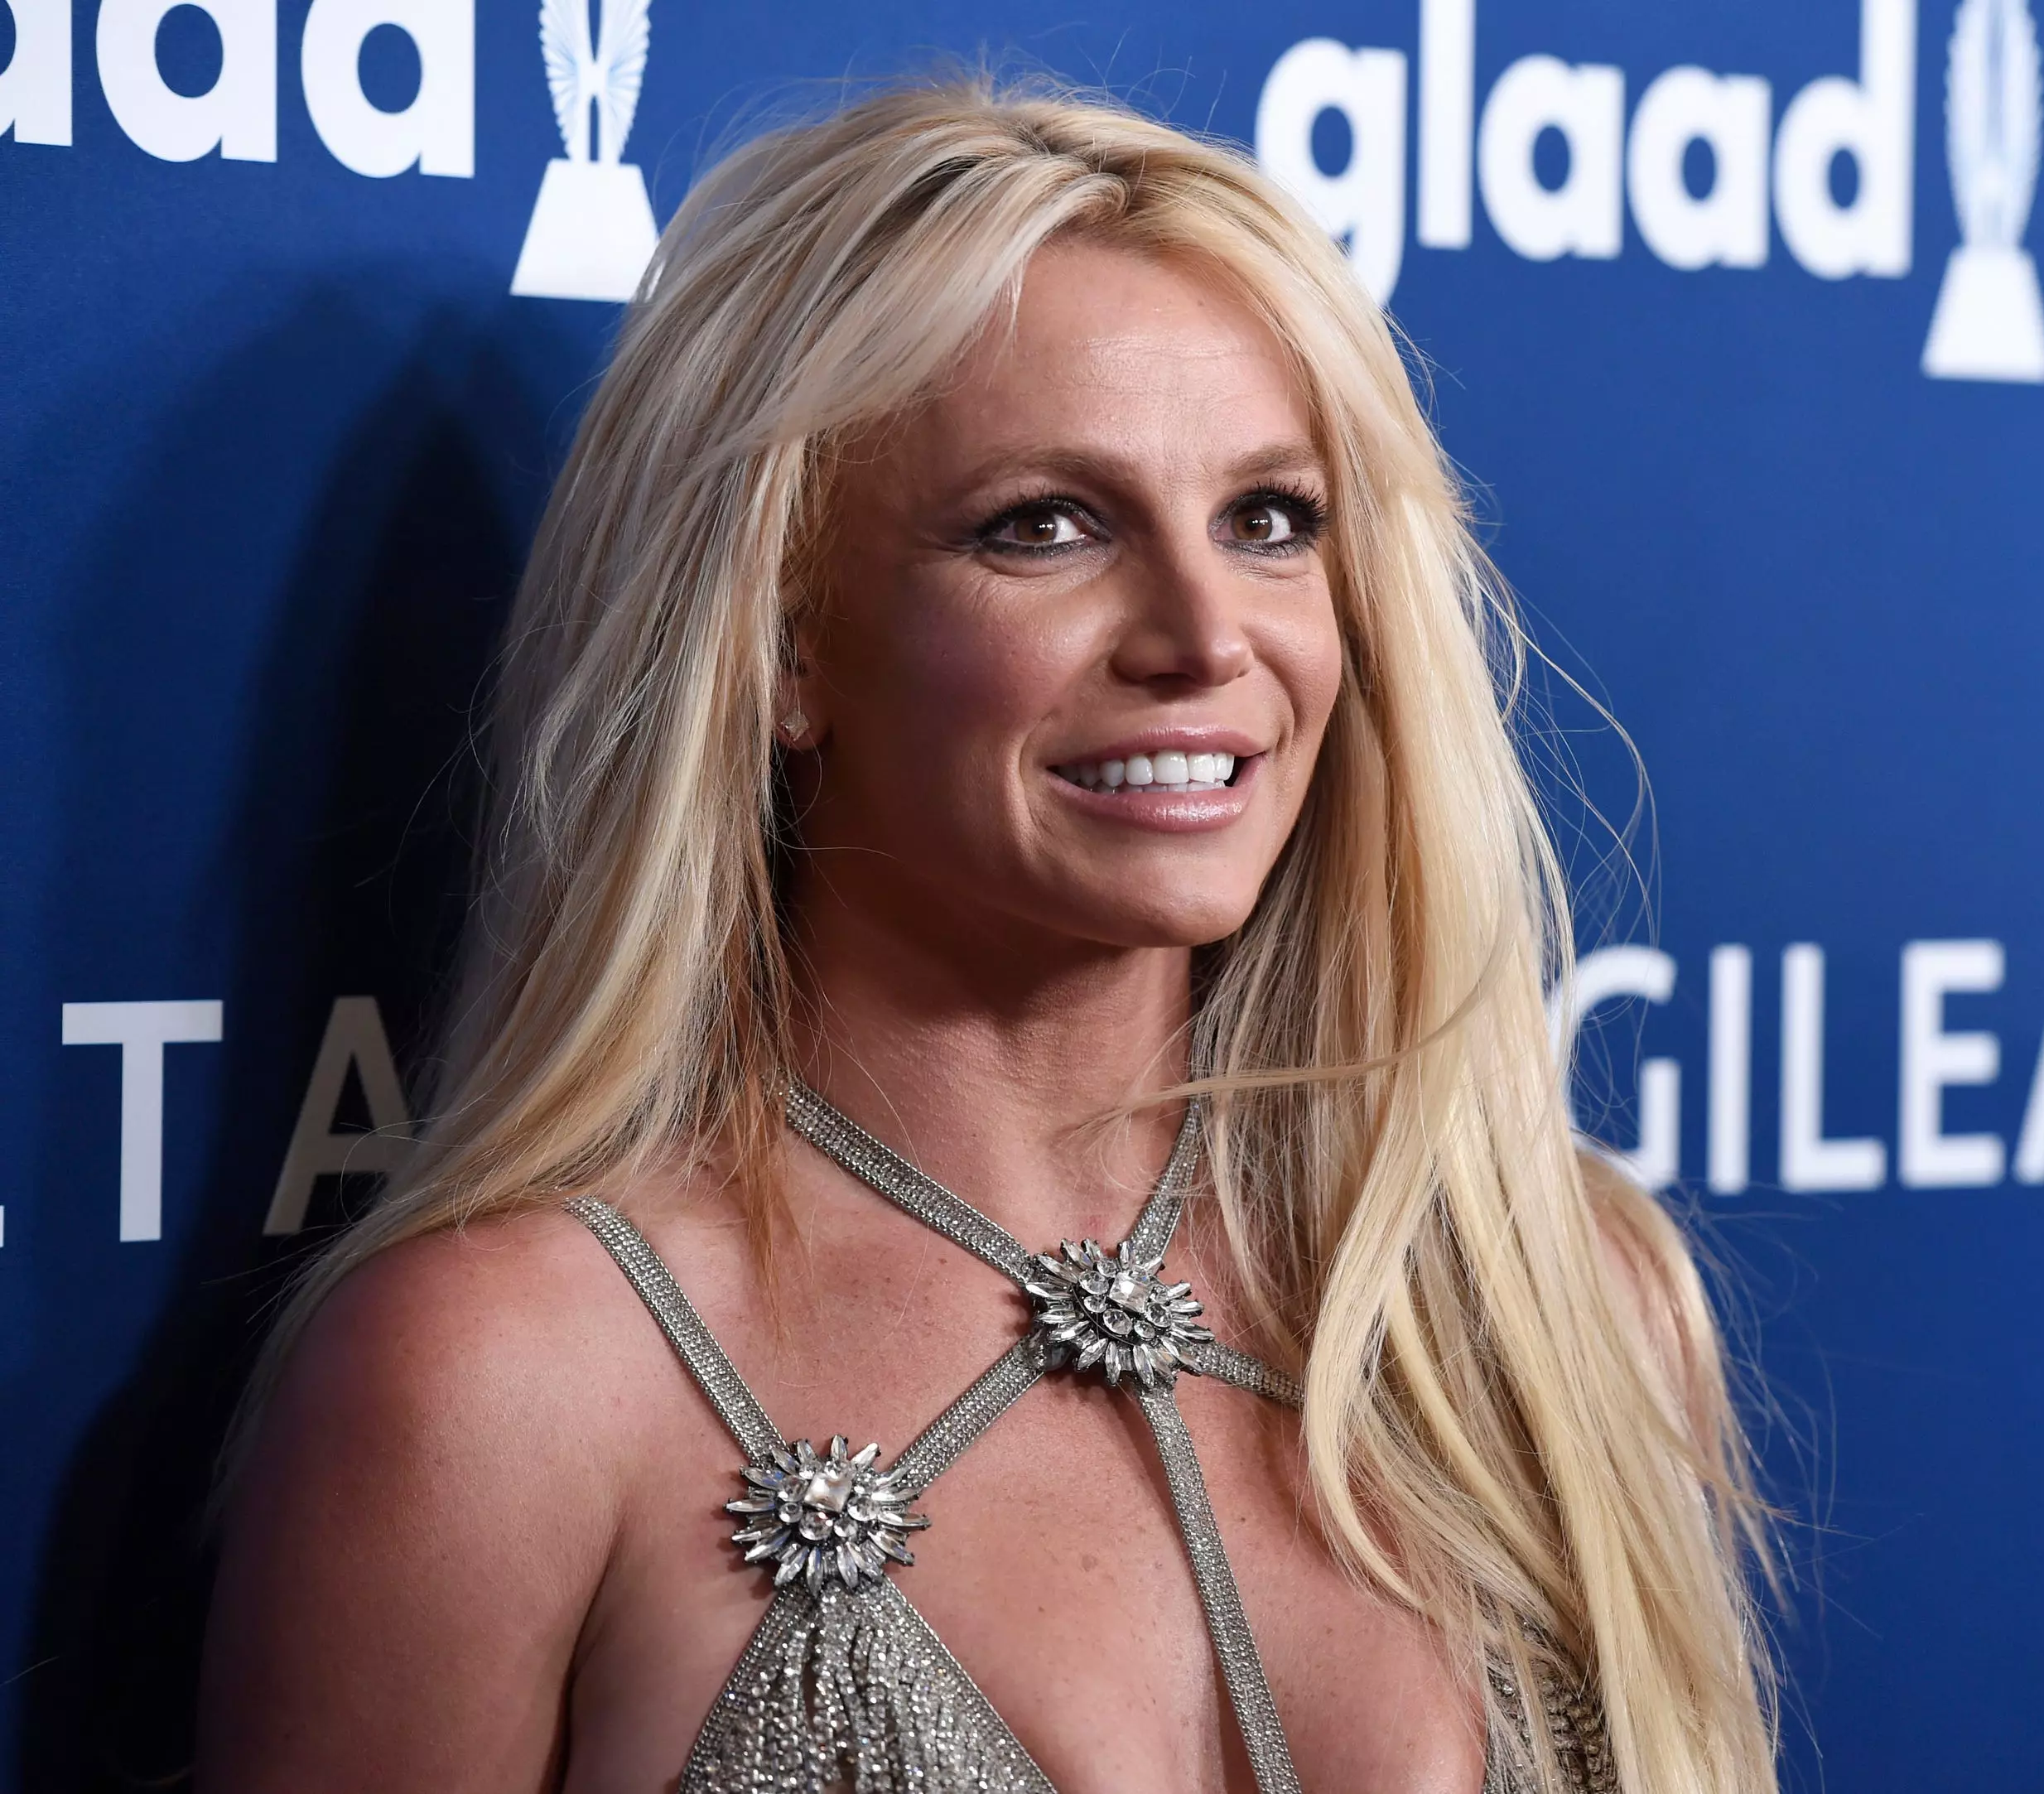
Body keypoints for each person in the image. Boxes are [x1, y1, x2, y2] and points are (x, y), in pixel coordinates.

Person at [197, 78, 1779, 1794]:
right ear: (782, 647)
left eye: (1271, 519)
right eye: (1046, 525)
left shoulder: (1563, 1309)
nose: (1203, 635)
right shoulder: (502, 1382)